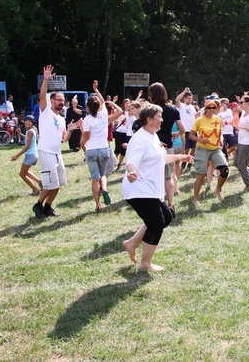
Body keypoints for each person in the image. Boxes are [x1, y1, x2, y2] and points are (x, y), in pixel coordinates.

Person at [121, 104, 193, 272]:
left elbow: (159, 158)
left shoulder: (152, 135)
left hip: (151, 189)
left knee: (166, 217)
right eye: (159, 117)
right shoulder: (139, 139)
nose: (162, 119)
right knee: (156, 223)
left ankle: (131, 243)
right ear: (149, 119)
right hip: (138, 189)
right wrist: (132, 172)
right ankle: (145, 264)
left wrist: (181, 157)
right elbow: (131, 161)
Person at [32, 65, 83, 218]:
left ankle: (48, 207)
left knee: (59, 183)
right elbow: (42, 96)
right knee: (49, 184)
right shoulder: (45, 112)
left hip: (57, 153)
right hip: (46, 152)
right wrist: (46, 80)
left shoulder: (61, 119)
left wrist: (71, 129)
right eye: (58, 100)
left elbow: (64, 139)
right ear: (52, 101)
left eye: (63, 100)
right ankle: (38, 205)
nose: (61, 102)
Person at [81, 81, 124, 212]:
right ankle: (104, 188)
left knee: (95, 179)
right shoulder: (105, 115)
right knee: (103, 174)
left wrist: (82, 130)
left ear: (88, 107)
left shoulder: (87, 119)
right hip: (104, 149)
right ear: (99, 106)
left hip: (92, 150)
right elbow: (120, 110)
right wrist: (97, 90)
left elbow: (86, 136)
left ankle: (98, 204)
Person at [148, 82, 185, 207]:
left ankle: (155, 202)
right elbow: (182, 129)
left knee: (152, 176)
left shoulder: (149, 110)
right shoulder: (172, 109)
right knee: (168, 177)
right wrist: (175, 135)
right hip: (168, 146)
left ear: (152, 94)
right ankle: (170, 203)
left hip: (152, 145)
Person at [190, 100, 229, 204]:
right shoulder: (199, 120)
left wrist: (221, 139)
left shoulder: (218, 119)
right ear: (205, 109)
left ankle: (218, 190)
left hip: (215, 148)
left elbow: (220, 132)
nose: (212, 110)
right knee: (201, 174)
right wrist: (201, 139)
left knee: (225, 170)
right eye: (209, 108)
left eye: (214, 108)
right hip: (202, 148)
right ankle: (195, 198)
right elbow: (191, 135)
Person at [10, 115, 41, 195]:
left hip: (30, 155)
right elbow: (27, 138)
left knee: (22, 174)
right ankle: (39, 182)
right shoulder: (31, 130)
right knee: (25, 172)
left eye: (29, 121)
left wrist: (17, 156)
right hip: (33, 154)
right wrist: (20, 134)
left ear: (32, 122)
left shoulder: (30, 131)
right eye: (26, 120)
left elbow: (27, 146)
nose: (27, 122)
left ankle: (35, 190)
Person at [175, 88, 199, 170]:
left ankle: (190, 163)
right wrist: (184, 92)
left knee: (194, 148)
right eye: (189, 98)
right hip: (185, 131)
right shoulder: (181, 106)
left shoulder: (193, 107)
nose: (190, 100)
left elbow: (194, 117)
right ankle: (184, 163)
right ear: (185, 99)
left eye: (191, 98)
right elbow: (177, 100)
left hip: (193, 130)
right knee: (186, 148)